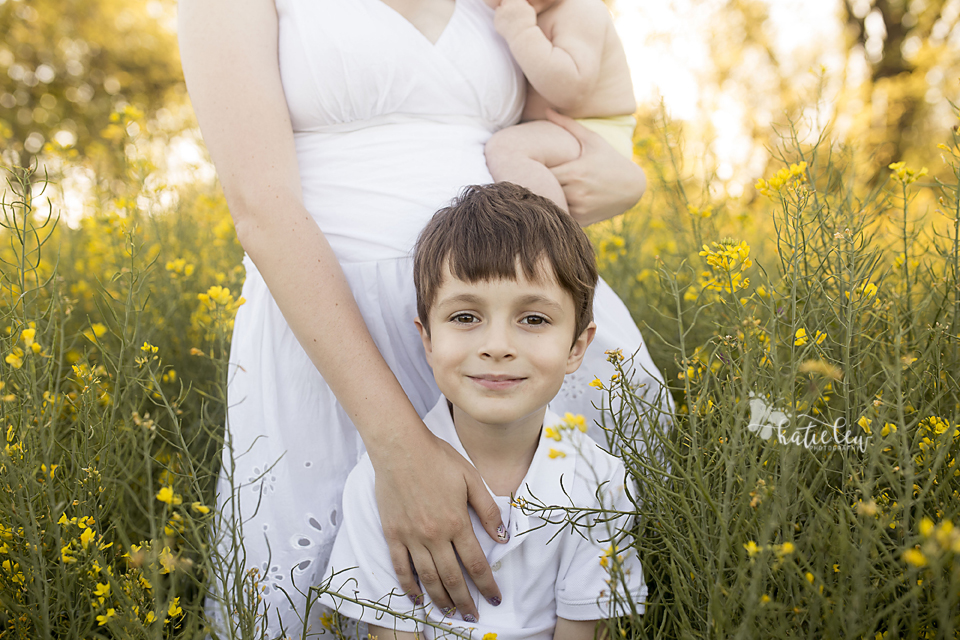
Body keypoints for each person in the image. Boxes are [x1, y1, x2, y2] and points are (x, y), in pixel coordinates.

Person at [177, 0, 669, 635]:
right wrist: (401, 451)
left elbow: (577, 118)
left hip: (507, 312)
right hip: (338, 318)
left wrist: (625, 179)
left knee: (561, 583)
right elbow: (261, 208)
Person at [322, 183, 645, 639]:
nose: (497, 347)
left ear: (577, 346)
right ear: (427, 339)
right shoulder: (380, 484)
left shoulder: (602, 482)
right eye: (465, 317)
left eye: (533, 319)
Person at [484, 0, 638, 212]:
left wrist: (521, 31)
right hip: (561, 133)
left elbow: (570, 91)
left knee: (507, 149)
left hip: (596, 131)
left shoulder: (580, 9)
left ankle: (555, 241)